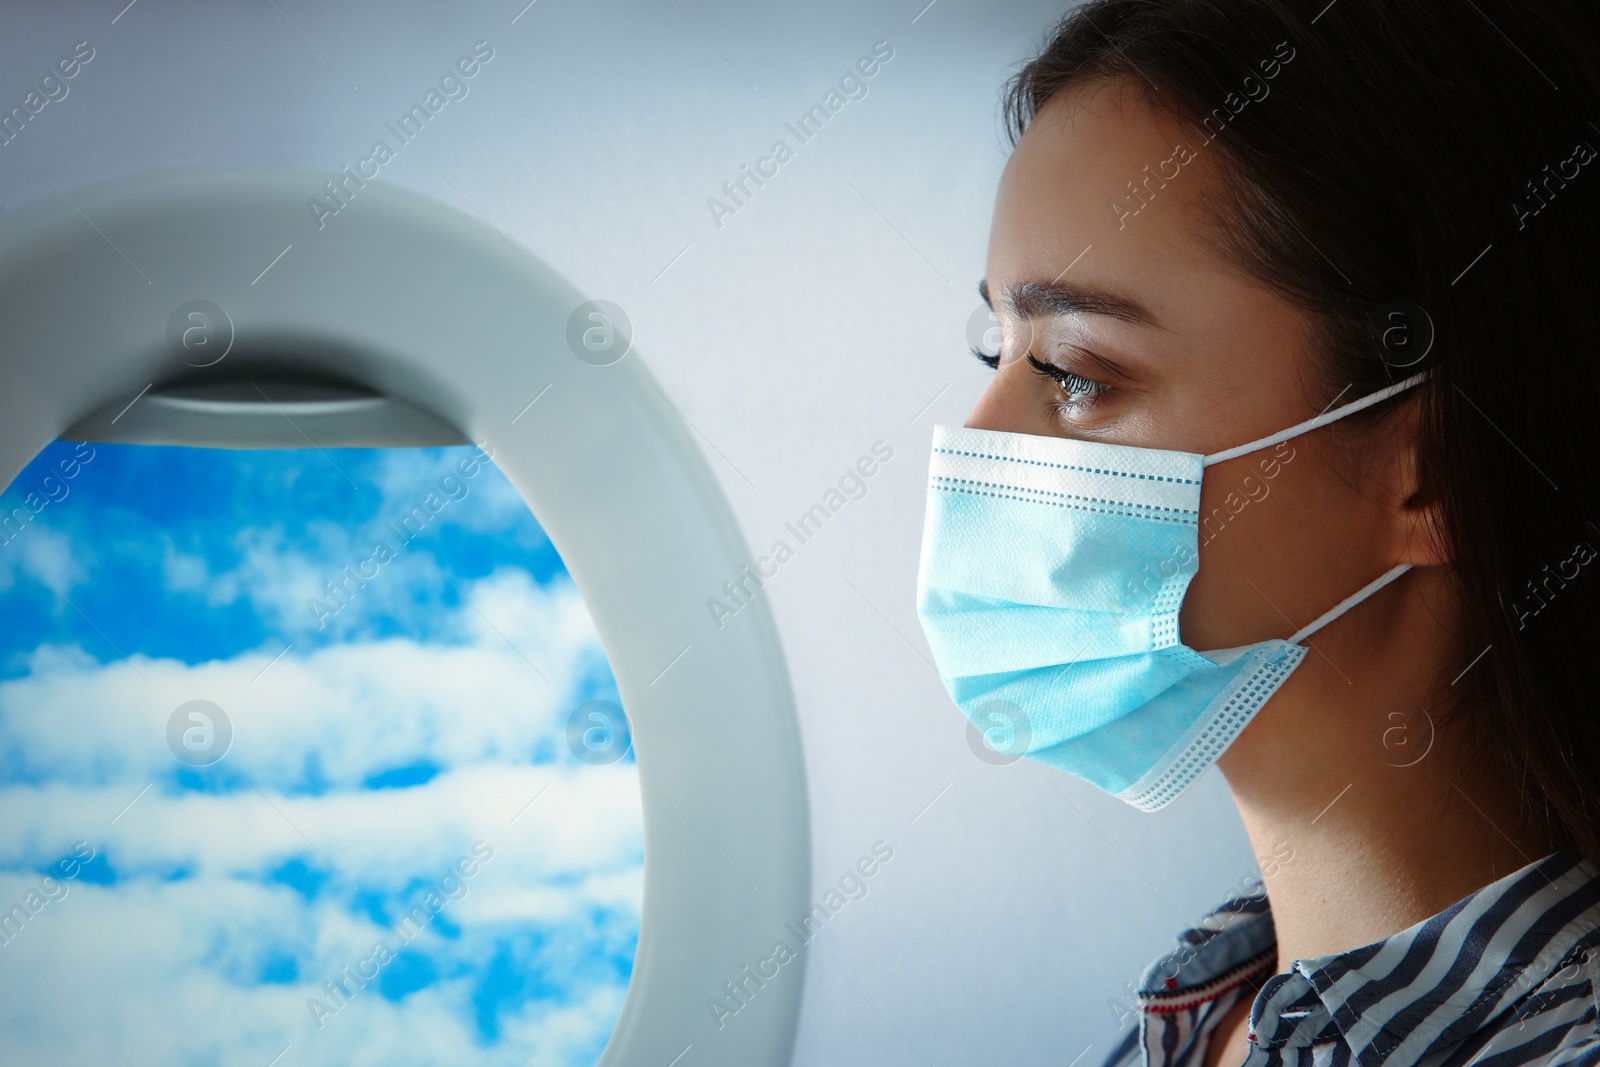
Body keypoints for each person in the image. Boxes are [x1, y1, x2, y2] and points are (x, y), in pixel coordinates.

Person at [911, 1, 1600, 1064]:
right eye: (994, 352)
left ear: (1430, 477)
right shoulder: (1199, 1010)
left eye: (1077, 374)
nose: (975, 445)